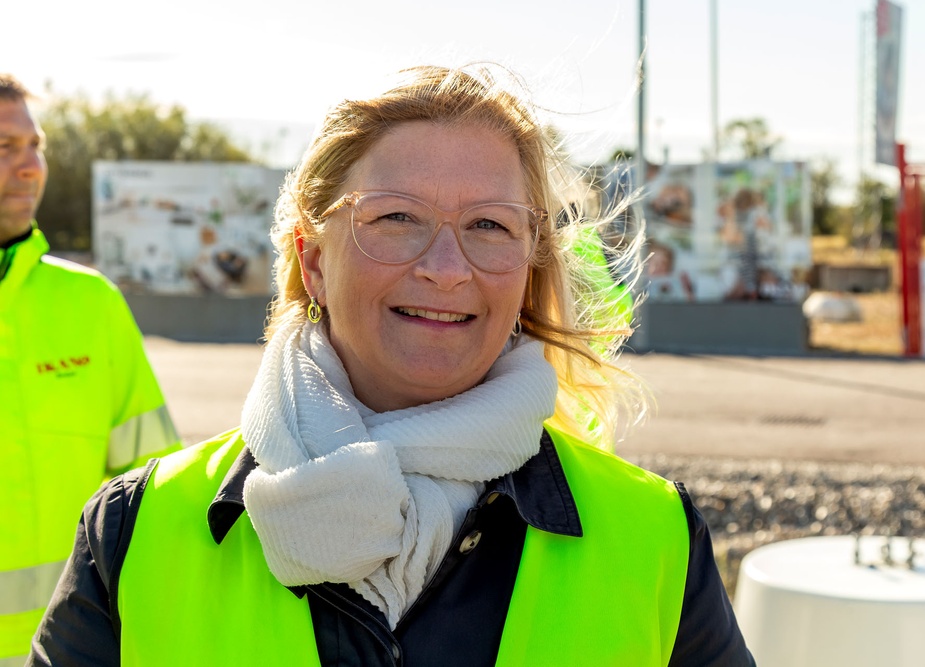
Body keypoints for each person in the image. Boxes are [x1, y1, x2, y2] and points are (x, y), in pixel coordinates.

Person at [31, 64, 754, 665]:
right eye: (396, 218)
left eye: (489, 227)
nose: (445, 268)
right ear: (313, 260)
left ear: (527, 268)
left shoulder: (654, 537)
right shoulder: (135, 533)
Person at [0, 74, 182, 666]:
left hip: (73, 651)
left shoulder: (92, 304)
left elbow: (157, 493)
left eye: (36, 146)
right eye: (5, 148)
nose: (30, 168)